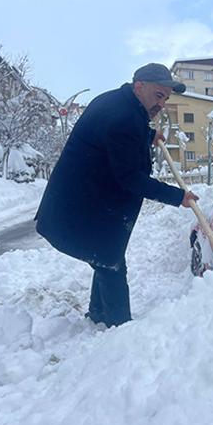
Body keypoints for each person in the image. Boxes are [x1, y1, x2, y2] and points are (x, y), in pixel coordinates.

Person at [35, 63, 198, 328]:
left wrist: (147, 135)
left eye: (166, 98)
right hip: (85, 204)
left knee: (107, 257)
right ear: (139, 86)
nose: (162, 104)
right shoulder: (124, 117)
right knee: (110, 263)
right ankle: (119, 327)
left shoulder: (116, 102)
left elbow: (117, 138)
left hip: (85, 199)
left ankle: (99, 315)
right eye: (159, 95)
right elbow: (130, 177)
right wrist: (177, 196)